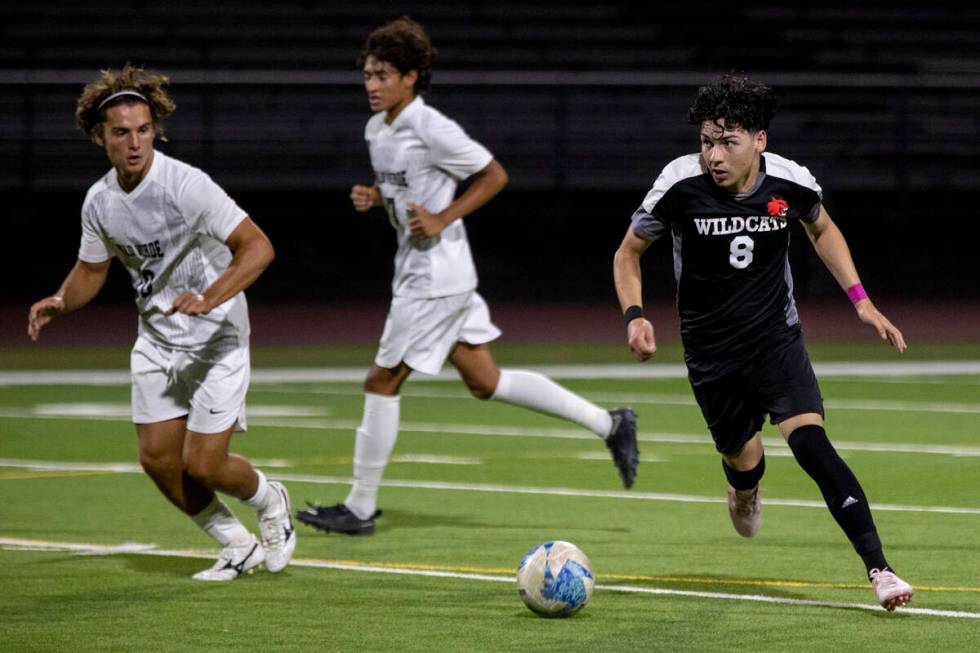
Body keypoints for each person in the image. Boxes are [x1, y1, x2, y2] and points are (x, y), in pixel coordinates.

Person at [297, 17, 639, 536]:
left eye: (383, 74)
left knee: (381, 381)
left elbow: (493, 175)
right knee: (486, 381)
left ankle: (360, 508)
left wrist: (442, 217)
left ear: (411, 77)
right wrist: (375, 196)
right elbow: (402, 185)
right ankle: (609, 423)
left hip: (434, 279)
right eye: (367, 73)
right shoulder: (377, 129)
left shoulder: (429, 126)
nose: (371, 84)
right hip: (428, 272)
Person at [612, 74, 912, 611]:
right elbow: (628, 253)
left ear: (759, 141)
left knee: (813, 448)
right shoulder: (679, 184)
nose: (714, 155)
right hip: (710, 352)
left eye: (728, 142)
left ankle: (881, 569)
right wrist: (635, 316)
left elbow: (823, 228)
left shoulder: (789, 182)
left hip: (776, 338)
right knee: (744, 462)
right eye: (707, 141)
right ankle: (744, 487)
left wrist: (861, 301)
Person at [27, 64, 295, 581]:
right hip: (156, 340)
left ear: (156, 130)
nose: (135, 142)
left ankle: (269, 498)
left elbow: (258, 247)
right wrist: (62, 300)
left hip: (217, 338)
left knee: (205, 465)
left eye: (144, 130)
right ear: (99, 136)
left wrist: (210, 297)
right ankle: (235, 544)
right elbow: (91, 268)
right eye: (122, 132)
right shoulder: (100, 201)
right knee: (156, 459)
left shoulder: (186, 185)